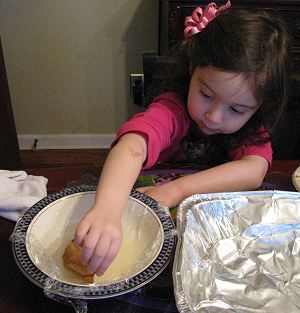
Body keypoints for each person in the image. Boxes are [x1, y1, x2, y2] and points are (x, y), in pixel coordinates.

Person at [75, 0, 291, 276]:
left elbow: (254, 169)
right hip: (145, 220)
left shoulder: (252, 127)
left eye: (236, 109)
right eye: (206, 94)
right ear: (192, 69)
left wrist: (177, 190)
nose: (213, 116)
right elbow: (132, 146)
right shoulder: (172, 109)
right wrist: (106, 211)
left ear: (260, 107)